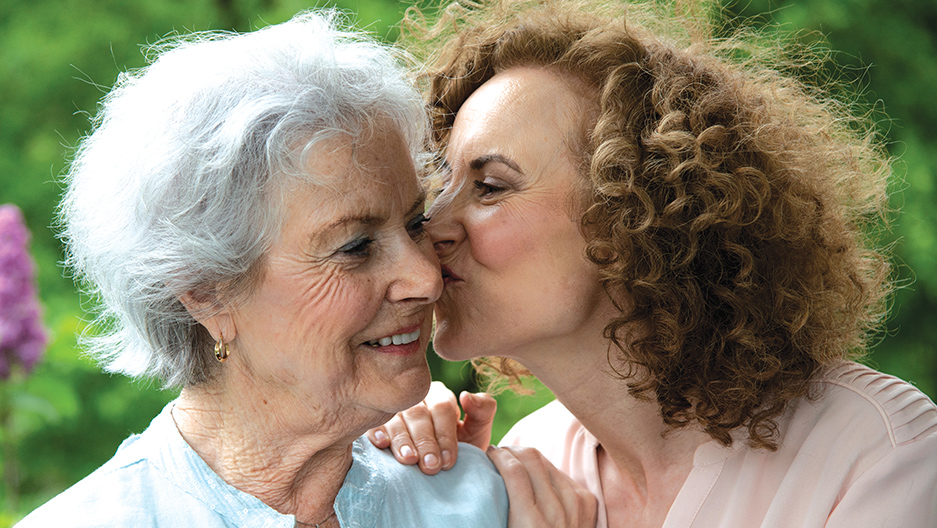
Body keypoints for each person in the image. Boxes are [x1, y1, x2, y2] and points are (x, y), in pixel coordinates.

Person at [368, 1, 937, 526]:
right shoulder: (531, 461)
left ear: (634, 215)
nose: (430, 227)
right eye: (440, 186)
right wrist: (444, 498)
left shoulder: (881, 454)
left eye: (489, 187)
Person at [14, 11, 521, 527]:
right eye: (355, 246)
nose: (426, 278)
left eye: (415, 223)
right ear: (206, 292)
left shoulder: (486, 502)